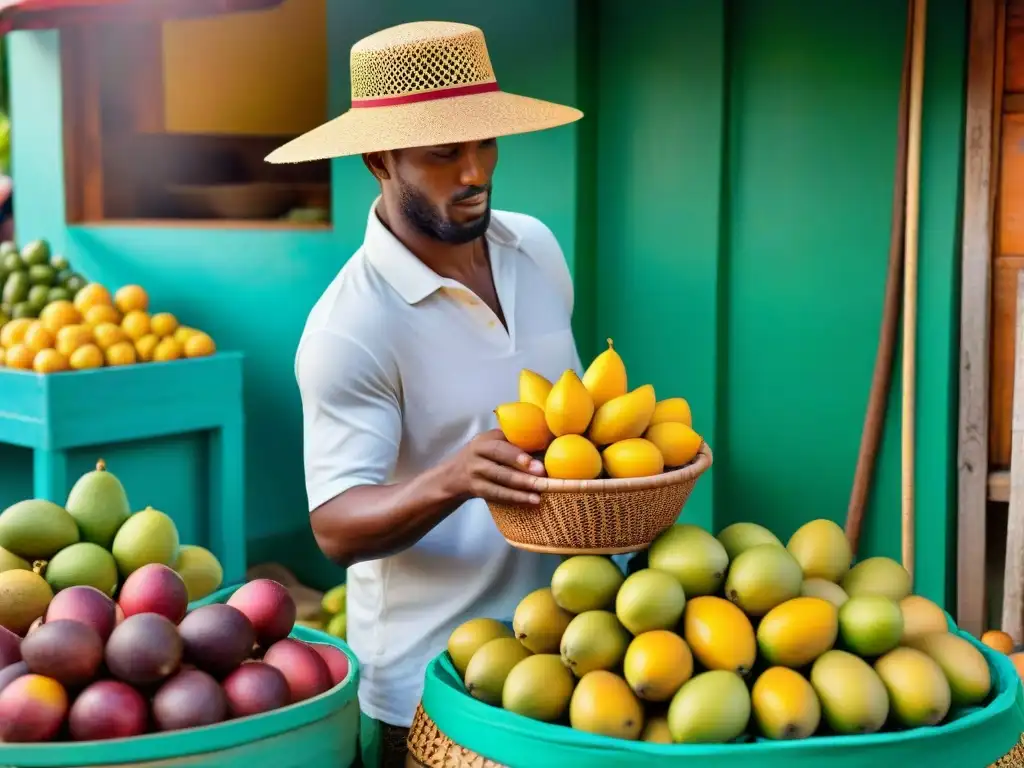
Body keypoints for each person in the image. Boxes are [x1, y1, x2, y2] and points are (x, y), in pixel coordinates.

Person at [266, 20, 584, 768]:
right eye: (445, 153)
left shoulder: (534, 247)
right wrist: (454, 476)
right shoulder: (353, 326)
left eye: (486, 144)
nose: (474, 172)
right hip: (432, 693)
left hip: (573, 662)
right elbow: (336, 528)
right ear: (379, 158)